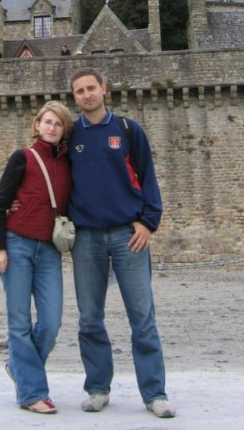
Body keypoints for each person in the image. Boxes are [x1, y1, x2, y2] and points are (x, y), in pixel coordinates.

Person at [68, 67, 176, 419]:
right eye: (79, 91)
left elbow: (148, 178)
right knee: (89, 319)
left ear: (104, 89)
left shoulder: (128, 130)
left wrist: (148, 223)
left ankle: (154, 393)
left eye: (91, 88)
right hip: (86, 237)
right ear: (75, 97)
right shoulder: (70, 137)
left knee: (142, 317)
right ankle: (98, 388)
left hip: (127, 236)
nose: (86, 95)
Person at [0, 100, 73, 415]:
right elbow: (1, 203)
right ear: (36, 124)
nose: (51, 127)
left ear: (64, 130)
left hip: (50, 250)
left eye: (58, 123)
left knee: (51, 322)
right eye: (47, 121)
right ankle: (32, 393)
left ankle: (19, 368)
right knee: (20, 322)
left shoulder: (67, 164)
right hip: (17, 244)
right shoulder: (22, 158)